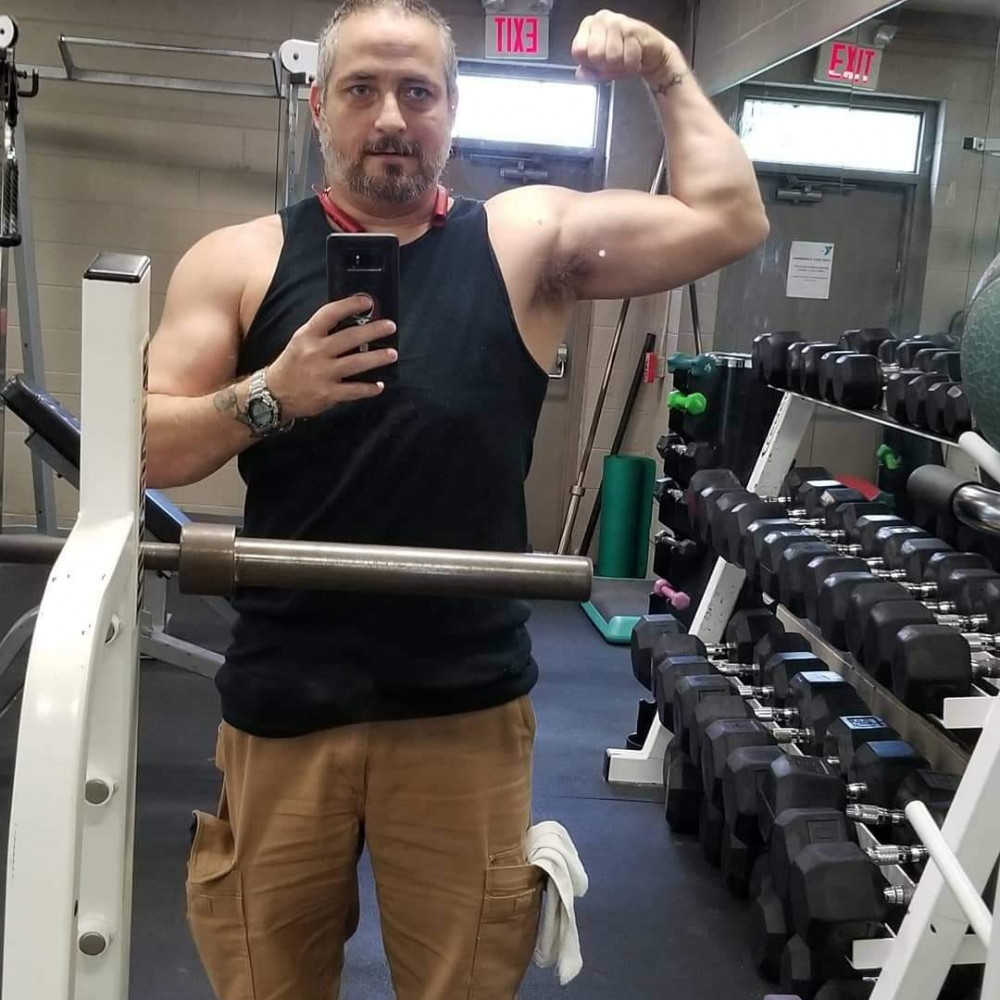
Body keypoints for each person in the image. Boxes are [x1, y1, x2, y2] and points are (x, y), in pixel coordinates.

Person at [147, 3, 768, 998]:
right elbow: (142, 443)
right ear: (320, 107)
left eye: (418, 92)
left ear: (451, 109)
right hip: (285, 697)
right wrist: (274, 394)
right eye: (362, 90)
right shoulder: (239, 258)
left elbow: (731, 218)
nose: (392, 117)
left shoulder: (524, 240)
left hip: (463, 706)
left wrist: (663, 69)